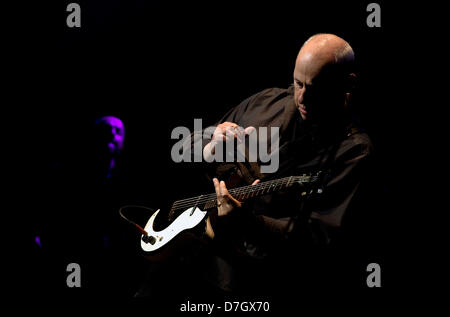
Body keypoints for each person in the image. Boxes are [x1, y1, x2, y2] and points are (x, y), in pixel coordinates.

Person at [136, 34, 377, 303]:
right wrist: (207, 143)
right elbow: (184, 149)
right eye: (298, 83)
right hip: (180, 256)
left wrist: (248, 223)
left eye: (316, 87)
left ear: (349, 83)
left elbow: (321, 240)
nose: (303, 97)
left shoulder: (354, 151)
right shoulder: (267, 102)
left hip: (243, 284)